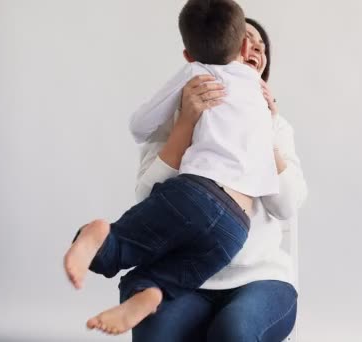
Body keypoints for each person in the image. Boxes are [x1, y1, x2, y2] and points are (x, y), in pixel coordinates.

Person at [63, 0, 280, 335]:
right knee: (177, 276)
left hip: (195, 193)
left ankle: (104, 240)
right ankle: (152, 291)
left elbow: (139, 126)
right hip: (235, 226)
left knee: (127, 244)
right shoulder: (263, 98)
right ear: (242, 48)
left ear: (187, 55)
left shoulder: (196, 74)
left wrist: (182, 107)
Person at [119, 17, 308, 342]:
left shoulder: (278, 128)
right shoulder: (174, 117)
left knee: (233, 332)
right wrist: (185, 125)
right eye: (242, 41)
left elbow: (287, 205)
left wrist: (263, 126)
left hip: (260, 279)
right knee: (155, 332)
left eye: (260, 48)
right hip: (185, 278)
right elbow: (148, 200)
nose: (253, 50)